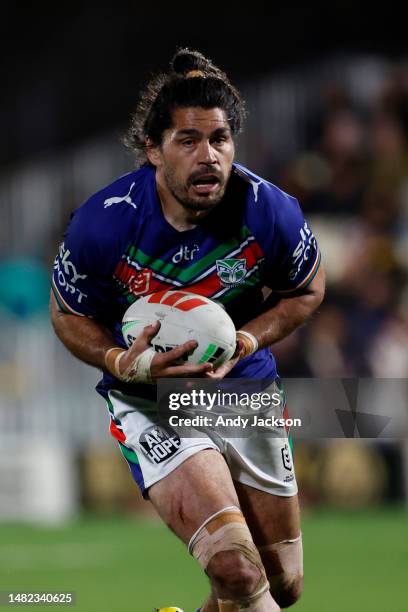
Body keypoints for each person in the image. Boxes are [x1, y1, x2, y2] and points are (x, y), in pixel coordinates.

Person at [50, 48, 325, 612]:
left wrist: (246, 340)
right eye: (188, 141)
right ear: (153, 150)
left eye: (220, 140)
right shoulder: (104, 221)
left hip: (242, 392)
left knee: (283, 586)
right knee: (236, 570)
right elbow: (67, 312)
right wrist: (120, 362)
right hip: (151, 397)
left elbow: (307, 289)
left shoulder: (268, 211)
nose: (208, 157)